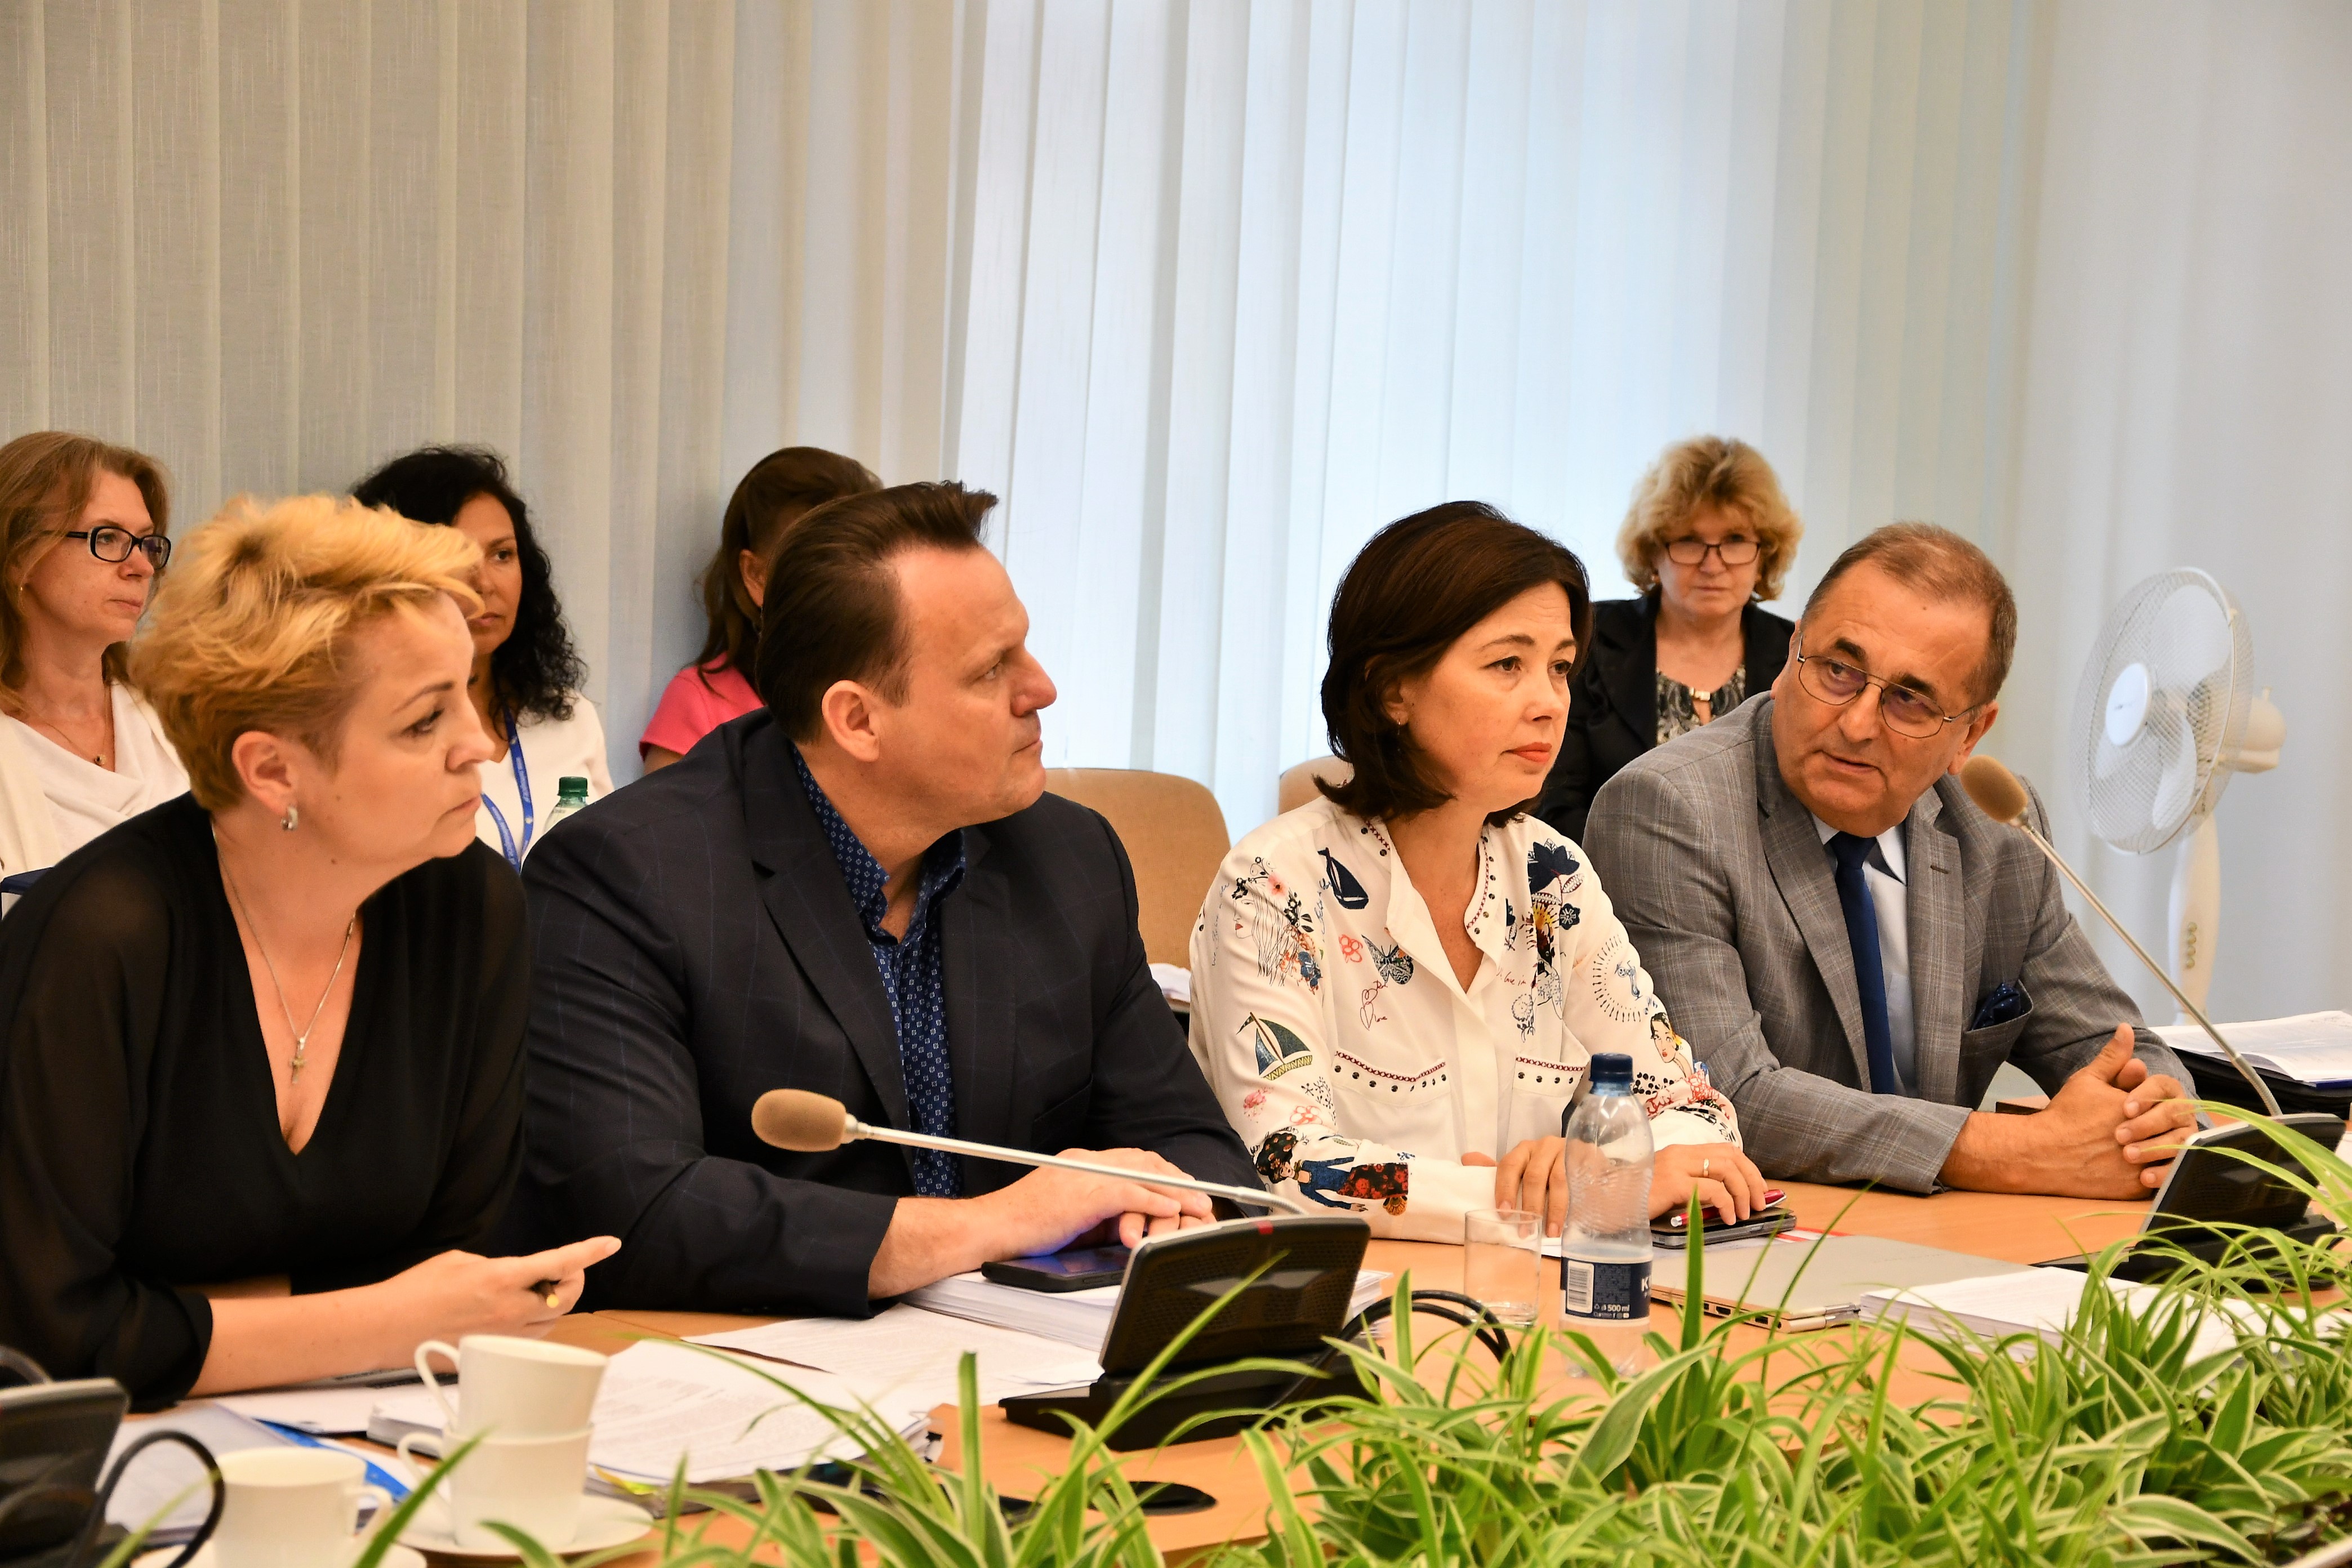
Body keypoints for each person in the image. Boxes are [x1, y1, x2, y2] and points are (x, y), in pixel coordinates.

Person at [505, 480, 1259, 1315]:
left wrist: (1165, 1213)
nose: (1041, 688)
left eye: (1025, 648)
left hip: (1040, 1353)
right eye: (991, 670)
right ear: (858, 721)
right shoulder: (628, 874)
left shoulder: (1068, 858)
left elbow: (1193, 1146)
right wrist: (996, 1224)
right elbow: (631, 1211)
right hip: (757, 1363)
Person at [0, 495, 618, 1407]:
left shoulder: (472, 907)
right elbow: (47, 1338)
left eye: (468, 693)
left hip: (372, 1422)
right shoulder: (100, 936)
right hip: (119, 1458)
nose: (479, 746)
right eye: (425, 720)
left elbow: (459, 1266)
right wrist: (382, 1319)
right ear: (272, 769)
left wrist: (200, 1316)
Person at [1187, 502, 1761, 1245]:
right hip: (1357, 1295)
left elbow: (1691, 1108)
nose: (1549, 703)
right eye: (1506, 665)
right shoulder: (1272, 884)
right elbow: (1289, 1164)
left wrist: (1626, 1170)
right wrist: (1557, 1193)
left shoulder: (1553, 875)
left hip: (1532, 1287)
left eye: (1560, 667)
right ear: (1393, 689)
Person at [1583, 523, 2197, 1198]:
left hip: (1946, 1234)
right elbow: (1726, 1095)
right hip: (1770, 1234)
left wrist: (2151, 1115)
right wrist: (2015, 1151)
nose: (1856, 724)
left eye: (1910, 700)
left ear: (1970, 733)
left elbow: (2116, 1047)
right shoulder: (1668, 809)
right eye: (1837, 671)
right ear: (1791, 656)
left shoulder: (1996, 831)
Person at [351, 447, 611, 870]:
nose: (485, 583)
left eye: (502, 555)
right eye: (456, 560)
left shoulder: (570, 717)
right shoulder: (369, 730)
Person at [1534, 436, 1799, 842]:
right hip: (1606, 871)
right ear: (1653, 553)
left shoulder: (1798, 655)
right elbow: (1554, 802)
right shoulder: (1586, 638)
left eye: (1735, 540)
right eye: (1690, 540)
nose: (1713, 565)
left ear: (1765, 556)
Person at [0, 433, 190, 890]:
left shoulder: (182, 719)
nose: (142, 567)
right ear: (20, 557)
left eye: (146, 543)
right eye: (107, 537)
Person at [640, 446, 881, 770]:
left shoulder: (896, 689)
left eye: (866, 559)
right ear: (756, 575)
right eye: (816, 564)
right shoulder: (699, 702)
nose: (845, 584)